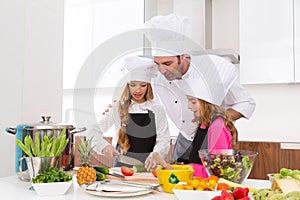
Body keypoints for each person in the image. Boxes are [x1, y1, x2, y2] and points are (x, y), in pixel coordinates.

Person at [144, 13, 256, 163]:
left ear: (182, 57)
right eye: (158, 64)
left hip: (212, 138)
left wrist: (218, 121)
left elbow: (246, 103)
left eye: (167, 64)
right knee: (178, 181)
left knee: (210, 180)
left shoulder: (213, 72)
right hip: (183, 139)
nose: (162, 70)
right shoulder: (158, 77)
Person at [89, 56, 171, 171]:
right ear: (127, 85)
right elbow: (93, 131)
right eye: (133, 85)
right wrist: (103, 146)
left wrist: (155, 156)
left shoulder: (157, 109)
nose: (138, 90)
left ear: (148, 86)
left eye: (143, 85)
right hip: (121, 168)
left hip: (148, 167)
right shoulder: (118, 107)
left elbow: (164, 139)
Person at [177, 74, 238, 177]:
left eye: (193, 102)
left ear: (207, 102)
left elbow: (217, 169)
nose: (189, 106)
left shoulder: (217, 127)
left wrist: (187, 169)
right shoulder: (204, 124)